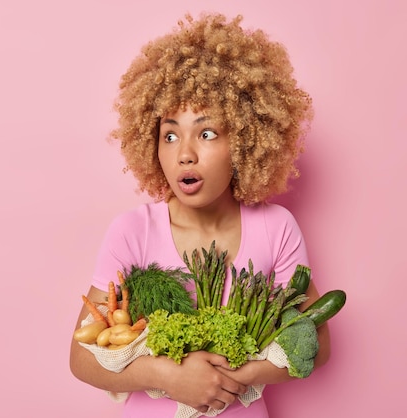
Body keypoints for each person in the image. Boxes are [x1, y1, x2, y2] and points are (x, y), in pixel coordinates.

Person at [69, 12, 331, 418]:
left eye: (206, 133)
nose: (184, 153)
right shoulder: (132, 231)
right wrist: (168, 376)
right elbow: (81, 359)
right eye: (169, 135)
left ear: (245, 140)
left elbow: (317, 343)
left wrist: (231, 374)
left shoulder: (276, 227)